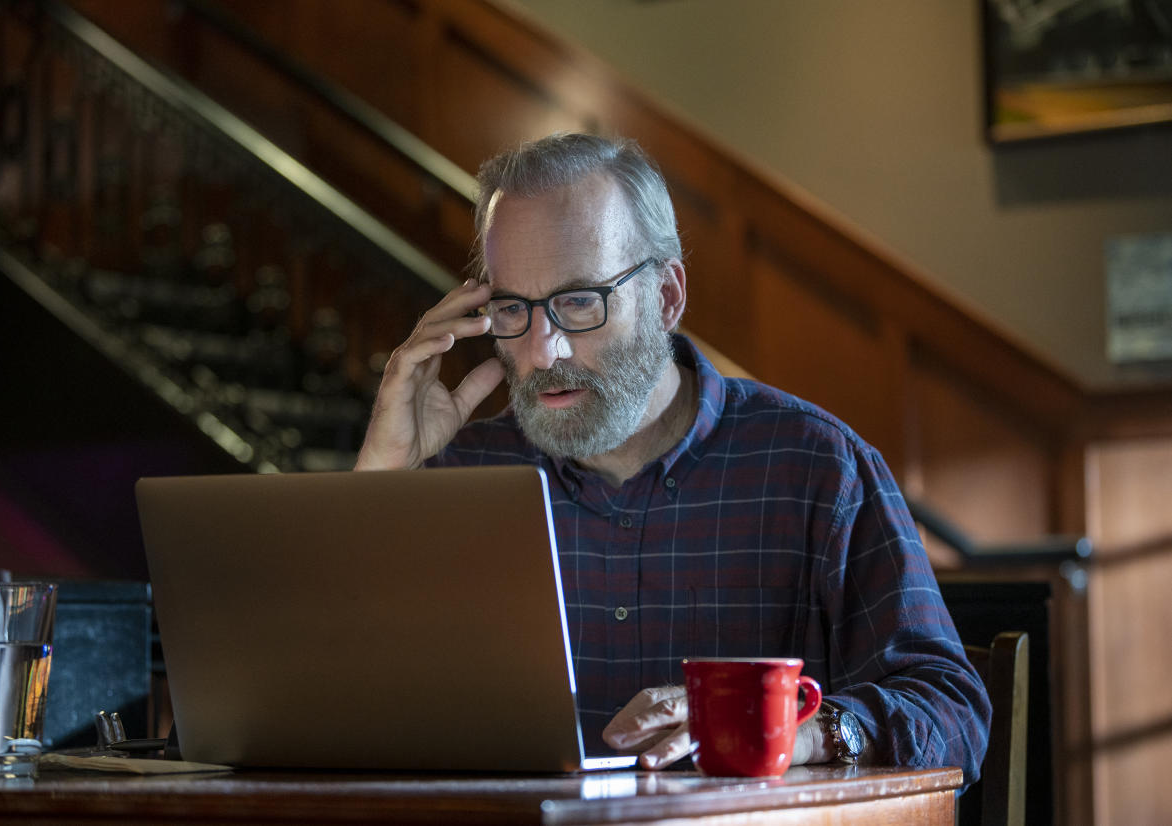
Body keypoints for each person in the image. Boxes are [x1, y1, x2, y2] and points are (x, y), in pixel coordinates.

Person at [355, 132, 990, 782]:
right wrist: (382, 474)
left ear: (665, 297)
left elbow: (951, 711)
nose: (544, 352)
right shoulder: (457, 474)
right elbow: (339, 709)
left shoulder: (813, 465)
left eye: (579, 302)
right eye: (513, 308)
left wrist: (794, 730)